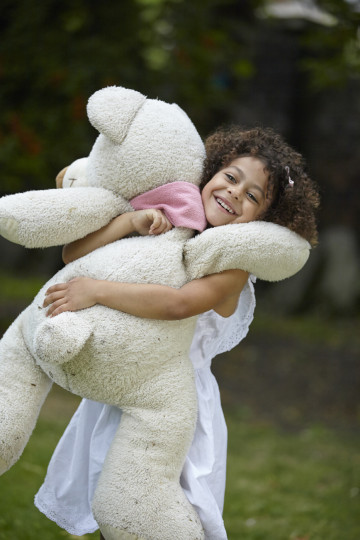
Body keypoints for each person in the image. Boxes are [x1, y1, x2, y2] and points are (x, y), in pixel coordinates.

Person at [34, 126, 319, 540]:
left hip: (174, 405)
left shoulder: (233, 265)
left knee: (165, 512)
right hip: (124, 386)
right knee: (112, 505)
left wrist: (96, 291)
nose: (237, 193)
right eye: (231, 177)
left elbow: (178, 304)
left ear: (264, 221)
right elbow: (73, 255)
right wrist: (130, 220)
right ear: (210, 173)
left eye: (254, 196)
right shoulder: (166, 221)